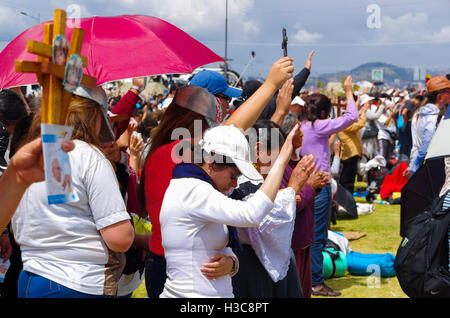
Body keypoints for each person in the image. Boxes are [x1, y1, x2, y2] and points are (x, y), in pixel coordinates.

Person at [140, 57, 295, 298]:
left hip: (184, 264)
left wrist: (232, 263)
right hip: (177, 271)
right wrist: (270, 86)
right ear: (209, 102)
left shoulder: (166, 147)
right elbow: (231, 131)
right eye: (225, 99)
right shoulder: (182, 151)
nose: (230, 105)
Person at [11, 87, 135, 298]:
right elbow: (119, 237)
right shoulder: (89, 156)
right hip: (78, 282)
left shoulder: (31, 154)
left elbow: (19, 228)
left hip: (30, 279)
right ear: (95, 116)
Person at [159, 123, 301, 297]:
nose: (235, 183)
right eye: (233, 175)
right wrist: (282, 158)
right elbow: (252, 214)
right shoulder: (192, 190)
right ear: (212, 162)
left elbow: (221, 247)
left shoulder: (201, 189)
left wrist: (231, 263)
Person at [230, 120, 316, 298]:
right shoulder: (243, 178)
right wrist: (292, 188)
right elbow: (260, 221)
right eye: (280, 157)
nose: (281, 165)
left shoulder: (253, 174)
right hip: (251, 264)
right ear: (260, 150)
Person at [299, 76, 358, 297]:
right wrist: (349, 91)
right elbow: (352, 116)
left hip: (303, 182)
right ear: (323, 113)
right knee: (318, 235)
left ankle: (307, 278)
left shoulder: (303, 126)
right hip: (319, 183)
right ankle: (316, 281)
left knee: (306, 233)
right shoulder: (320, 125)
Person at [406, 76, 450, 178]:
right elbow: (427, 143)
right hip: (433, 165)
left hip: (423, 163)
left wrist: (413, 165)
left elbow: (416, 145)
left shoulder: (419, 113)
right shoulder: (433, 117)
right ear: (440, 97)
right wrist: (414, 167)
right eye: (448, 91)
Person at [337, 98, 368, 194]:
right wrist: (363, 114)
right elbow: (359, 124)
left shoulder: (343, 121)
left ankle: (345, 197)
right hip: (350, 153)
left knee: (347, 177)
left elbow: (353, 120)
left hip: (351, 152)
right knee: (348, 178)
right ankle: (346, 197)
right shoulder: (344, 123)